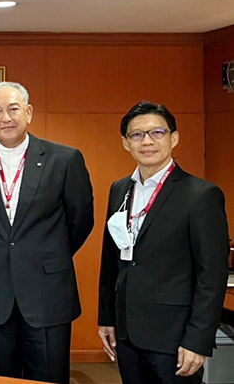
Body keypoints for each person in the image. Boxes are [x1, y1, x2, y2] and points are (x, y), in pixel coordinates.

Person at [0, 81, 94, 384]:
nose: (6, 118)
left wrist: (47, 254)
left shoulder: (65, 159)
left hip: (48, 291)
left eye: (13, 109)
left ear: (28, 112)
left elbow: (81, 219)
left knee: (49, 376)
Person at [97, 102, 229, 384]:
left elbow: (212, 276)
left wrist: (198, 339)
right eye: (136, 135)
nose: (147, 140)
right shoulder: (120, 189)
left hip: (175, 336)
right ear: (125, 143)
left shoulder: (201, 195)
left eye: (157, 132)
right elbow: (111, 261)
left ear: (174, 137)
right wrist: (107, 317)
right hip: (127, 332)